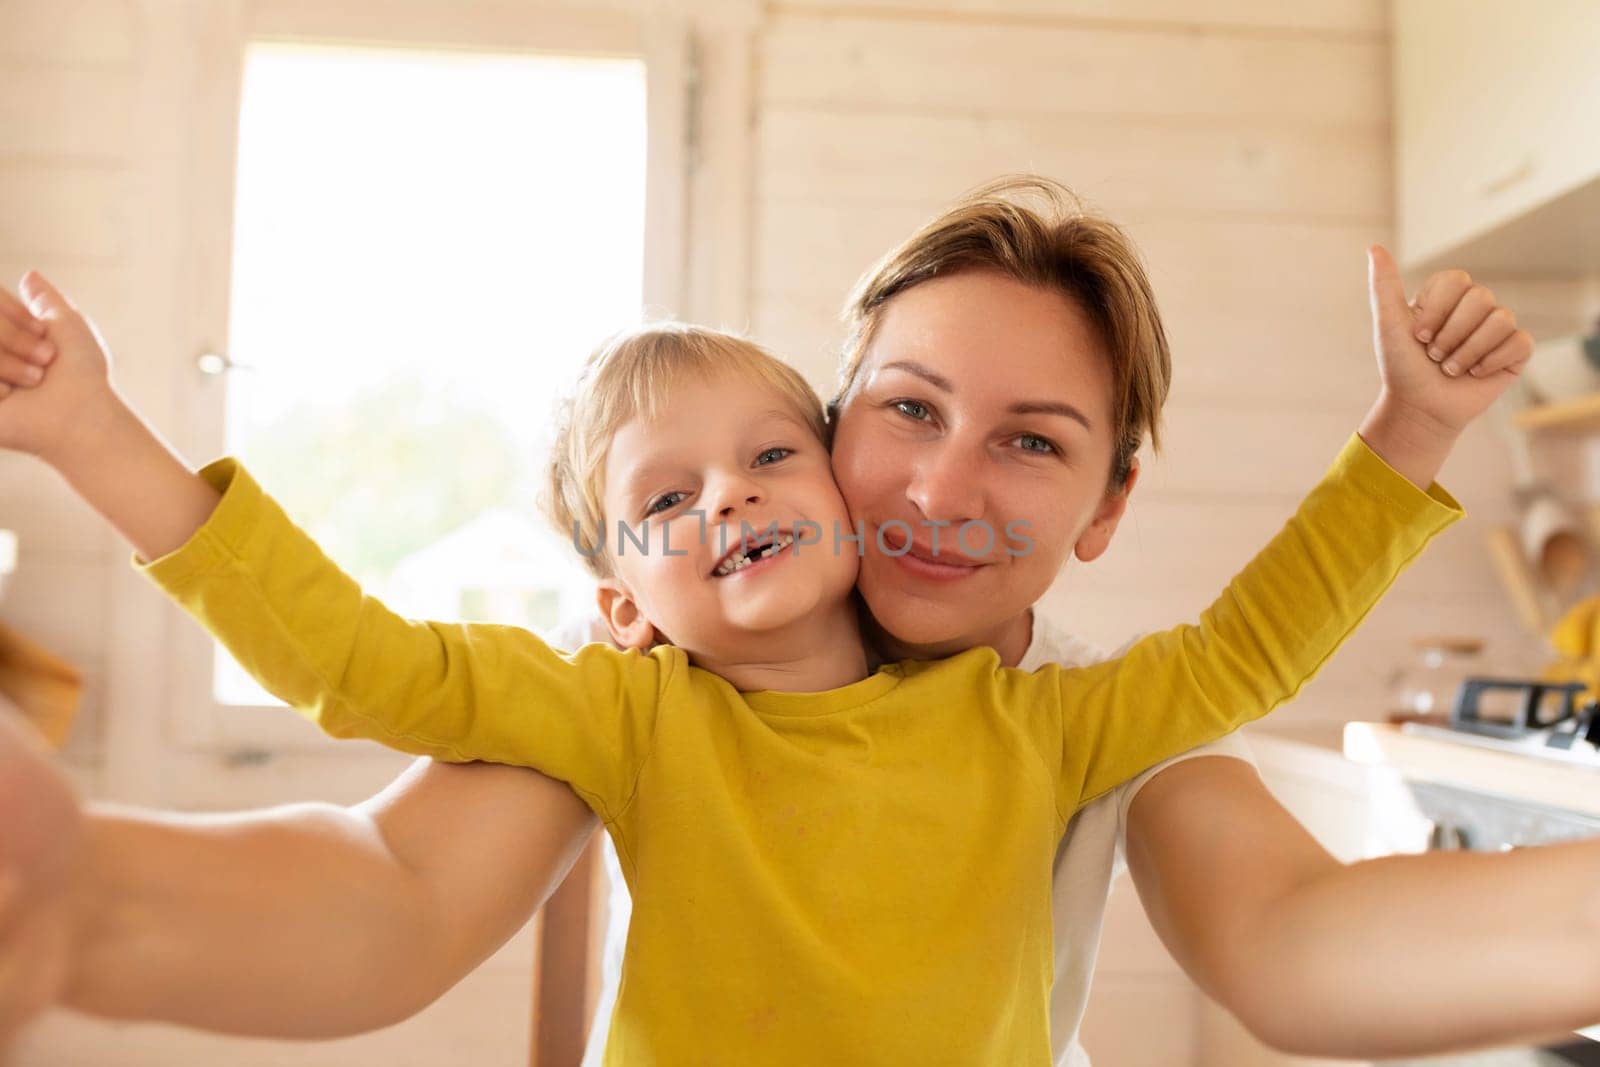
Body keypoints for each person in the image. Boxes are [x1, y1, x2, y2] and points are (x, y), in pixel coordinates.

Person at [0, 180, 1556, 1062]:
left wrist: (1408, 434)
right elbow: (365, 719)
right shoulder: (634, 701)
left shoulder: (1059, 720)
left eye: (1031, 437)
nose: (945, 480)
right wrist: (92, 438)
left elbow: (1251, 702)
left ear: (1107, 508)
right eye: (908, 410)